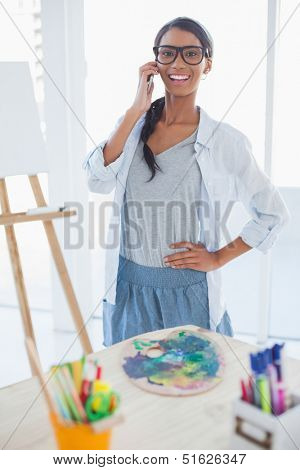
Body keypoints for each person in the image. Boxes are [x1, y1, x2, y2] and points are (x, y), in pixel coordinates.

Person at [83, 17, 290, 347]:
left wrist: (218, 258)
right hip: (129, 291)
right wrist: (136, 109)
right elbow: (96, 179)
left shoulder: (226, 142)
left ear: (207, 65)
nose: (178, 63)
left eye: (191, 54)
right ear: (156, 62)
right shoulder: (132, 127)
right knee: (134, 391)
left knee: (197, 391)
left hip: (190, 297)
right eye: (168, 53)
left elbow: (272, 215)